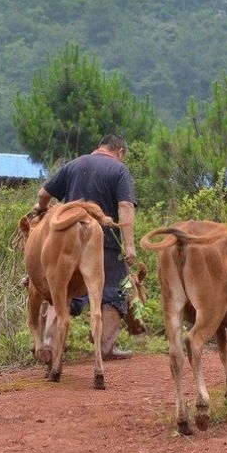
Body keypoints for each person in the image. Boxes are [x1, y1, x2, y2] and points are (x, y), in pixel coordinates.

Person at [34, 134, 137, 360]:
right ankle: (105, 347)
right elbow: (126, 206)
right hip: (106, 243)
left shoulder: (75, 164)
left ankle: (50, 343)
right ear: (120, 152)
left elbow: (43, 194)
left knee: (60, 291)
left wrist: (41, 209)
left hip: (66, 239)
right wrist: (129, 246)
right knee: (112, 293)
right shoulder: (119, 170)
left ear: (98, 147)